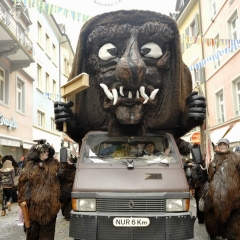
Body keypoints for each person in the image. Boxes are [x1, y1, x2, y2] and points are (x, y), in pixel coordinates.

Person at [18, 139, 61, 240]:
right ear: (37, 153)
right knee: (33, 234)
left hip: (50, 206)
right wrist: (24, 200)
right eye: (43, 151)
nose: (46, 153)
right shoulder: (30, 165)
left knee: (47, 235)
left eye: (47, 151)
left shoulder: (54, 164)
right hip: (33, 207)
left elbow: (62, 178)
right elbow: (24, 183)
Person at [203, 138, 240, 240]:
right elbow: (210, 177)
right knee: (214, 223)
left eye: (224, 145)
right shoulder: (214, 160)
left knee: (233, 226)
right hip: (216, 198)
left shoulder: (236, 158)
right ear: (218, 147)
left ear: (228, 146)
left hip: (233, 198)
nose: (223, 146)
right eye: (221, 145)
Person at [58, 153, 77, 221]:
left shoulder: (75, 168)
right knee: (66, 202)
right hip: (65, 188)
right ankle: (67, 215)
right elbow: (59, 176)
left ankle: (68, 215)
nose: (69, 161)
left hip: (70, 188)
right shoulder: (62, 167)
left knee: (69, 202)